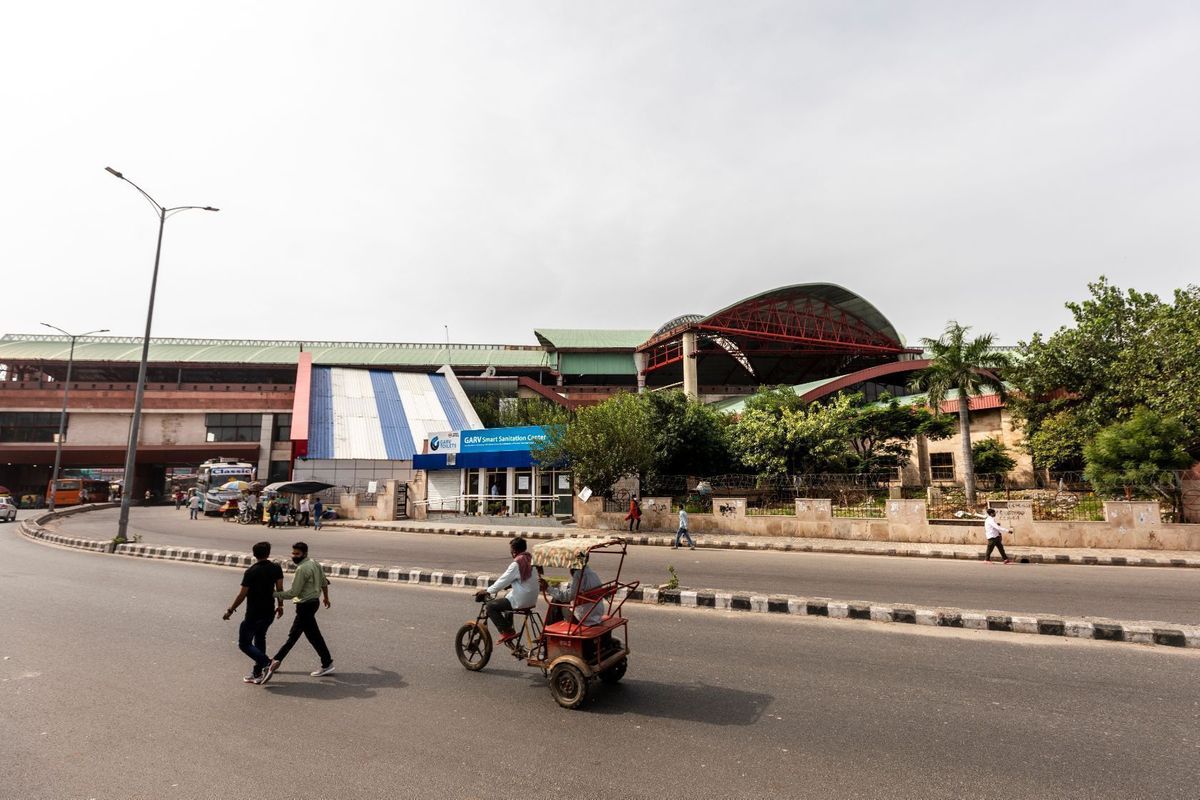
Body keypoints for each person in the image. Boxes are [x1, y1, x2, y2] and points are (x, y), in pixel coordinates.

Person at [266, 541, 334, 679]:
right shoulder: (315, 563)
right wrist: (326, 597)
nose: (294, 556)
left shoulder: (302, 569)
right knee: (311, 636)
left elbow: (293, 593)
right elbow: (324, 582)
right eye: (293, 553)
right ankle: (326, 662)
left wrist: (273, 594)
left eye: (297, 554)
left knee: (294, 636)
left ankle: (274, 661)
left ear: (305, 554)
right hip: (313, 603)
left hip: (305, 606)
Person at [222, 541, 284, 683]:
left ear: (254, 554)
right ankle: (257, 673)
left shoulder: (251, 571)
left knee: (244, 644)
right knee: (260, 638)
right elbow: (280, 589)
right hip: (269, 612)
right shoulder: (276, 568)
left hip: (254, 614)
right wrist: (281, 606)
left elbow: (242, 594)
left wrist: (230, 610)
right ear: (268, 554)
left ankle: (267, 663)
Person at [474, 537, 537, 644]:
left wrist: (487, 591)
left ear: (514, 551)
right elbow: (525, 580)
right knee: (507, 597)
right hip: (531, 599)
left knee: (491, 606)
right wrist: (511, 585)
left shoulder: (517, 563)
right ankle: (509, 627)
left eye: (511, 551)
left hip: (521, 600)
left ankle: (507, 631)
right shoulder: (530, 560)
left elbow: (502, 580)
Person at [540, 559, 604, 627]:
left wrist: (547, 588)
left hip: (583, 618)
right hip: (596, 615)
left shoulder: (578, 574)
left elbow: (566, 597)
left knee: (556, 601)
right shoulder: (592, 573)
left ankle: (549, 631)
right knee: (560, 598)